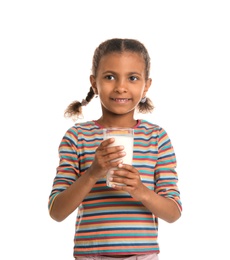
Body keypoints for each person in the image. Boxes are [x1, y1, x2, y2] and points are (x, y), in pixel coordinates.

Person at [48, 38, 182, 260]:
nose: (121, 86)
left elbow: (174, 212)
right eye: (110, 77)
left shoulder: (157, 137)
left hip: (143, 255)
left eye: (132, 78)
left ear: (146, 85)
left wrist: (140, 191)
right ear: (94, 83)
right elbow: (56, 211)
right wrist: (92, 174)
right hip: (91, 255)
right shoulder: (77, 137)